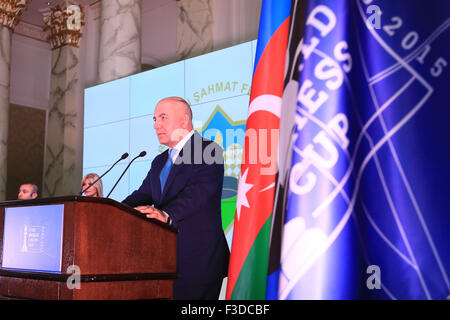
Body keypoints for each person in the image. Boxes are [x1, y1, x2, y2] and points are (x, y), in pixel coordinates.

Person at [122, 96, 229, 300]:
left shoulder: (208, 150)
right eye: (154, 119)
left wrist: (166, 214)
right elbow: (142, 194)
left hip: (199, 260)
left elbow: (198, 194)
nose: (156, 125)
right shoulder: (159, 161)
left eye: (163, 118)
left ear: (184, 120)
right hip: (164, 260)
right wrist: (111, 211)